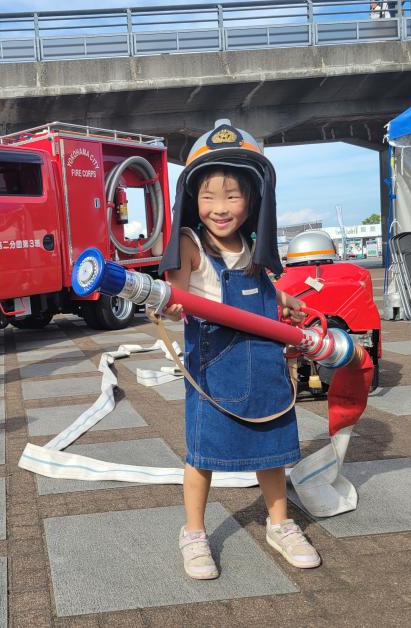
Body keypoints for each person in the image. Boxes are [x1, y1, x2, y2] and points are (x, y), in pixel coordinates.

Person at [158, 119, 321, 580]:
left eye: (232, 196)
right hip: (214, 370)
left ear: (252, 200)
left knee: (271, 450)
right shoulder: (191, 244)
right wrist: (170, 305)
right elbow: (177, 295)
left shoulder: (252, 247)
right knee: (202, 456)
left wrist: (285, 301)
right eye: (208, 196)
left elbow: (263, 288)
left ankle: (280, 523)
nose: (220, 207)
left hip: (264, 363)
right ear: (194, 200)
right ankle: (193, 532)